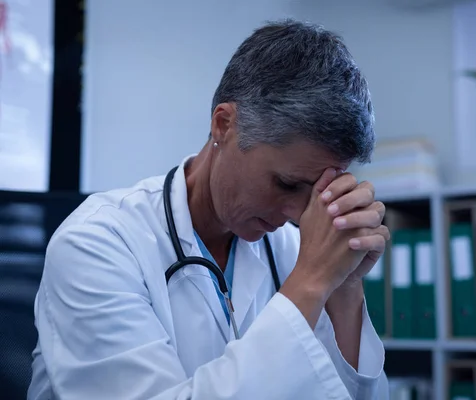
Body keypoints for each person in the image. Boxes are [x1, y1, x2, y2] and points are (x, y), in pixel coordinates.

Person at [27, 19, 390, 400]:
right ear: (223, 125)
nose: (297, 213)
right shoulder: (96, 243)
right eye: (286, 184)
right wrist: (312, 281)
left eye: (315, 193)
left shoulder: (288, 248)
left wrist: (343, 286)